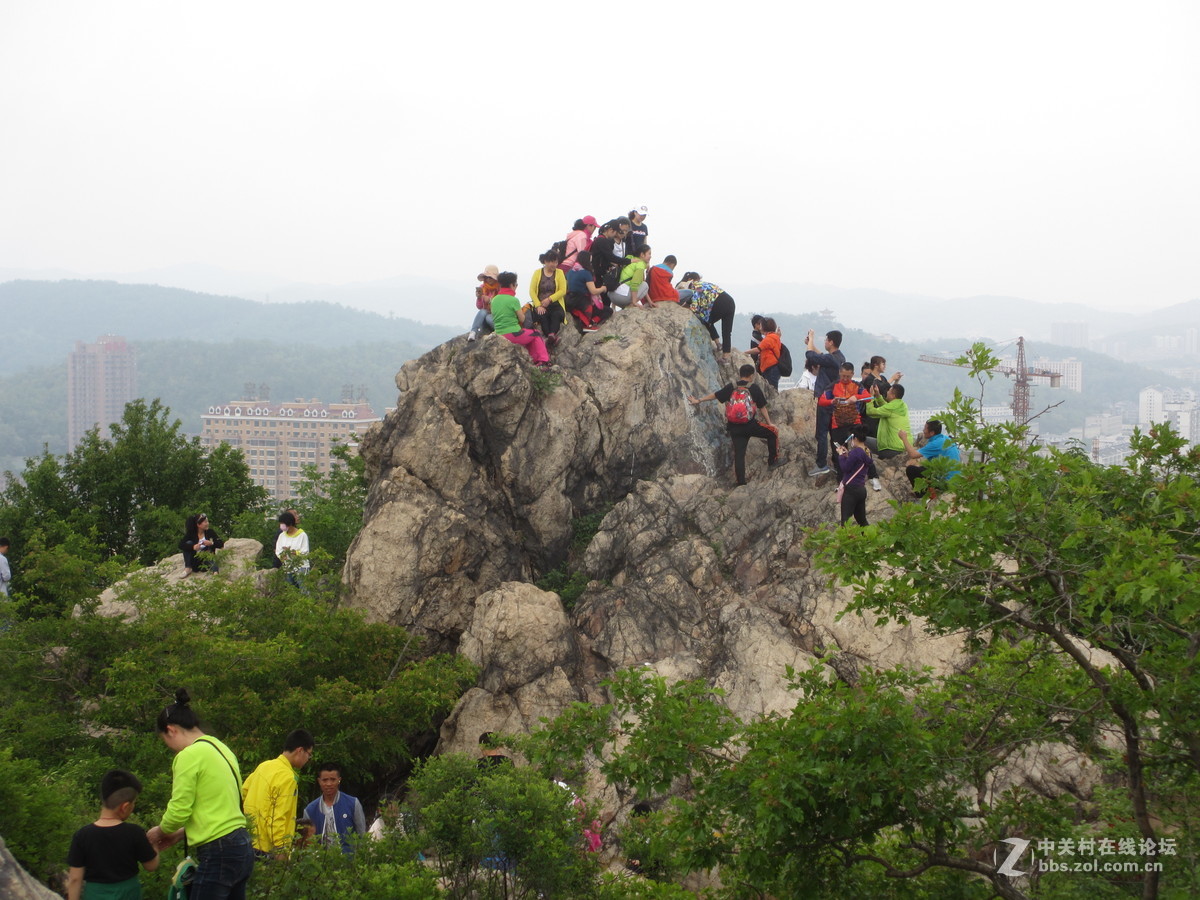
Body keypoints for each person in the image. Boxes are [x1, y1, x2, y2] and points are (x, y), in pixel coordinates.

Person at [147, 689, 254, 900]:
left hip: (219, 850)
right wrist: (180, 833)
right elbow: (219, 807)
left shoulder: (189, 755)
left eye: (166, 742)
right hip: (241, 846)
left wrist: (160, 832)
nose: (172, 750)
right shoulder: (221, 749)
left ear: (171, 730)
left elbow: (178, 809)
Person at [67, 769, 159, 900]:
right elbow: (151, 865)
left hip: (95, 895)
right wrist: (154, 844)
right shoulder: (134, 832)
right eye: (134, 803)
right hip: (128, 894)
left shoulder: (82, 835)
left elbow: (75, 879)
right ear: (125, 807)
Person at [689, 364, 787, 486]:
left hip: (734, 428)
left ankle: (741, 482)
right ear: (751, 376)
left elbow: (716, 395)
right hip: (750, 426)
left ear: (740, 374)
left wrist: (698, 400)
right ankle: (773, 461)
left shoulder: (732, 386)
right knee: (772, 433)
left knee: (739, 455)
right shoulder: (754, 388)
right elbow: (762, 407)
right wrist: (770, 423)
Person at [241, 729, 315, 857]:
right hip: (268, 848)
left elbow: (243, 794)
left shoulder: (264, 766)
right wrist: (281, 849)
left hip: (248, 840)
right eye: (309, 754)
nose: (308, 759)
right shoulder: (288, 777)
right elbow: (278, 816)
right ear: (300, 751)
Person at [819, 363, 881, 491]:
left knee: (863, 448)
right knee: (839, 451)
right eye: (843, 376)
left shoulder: (857, 385)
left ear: (853, 374)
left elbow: (868, 398)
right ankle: (842, 481)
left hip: (855, 421)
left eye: (848, 376)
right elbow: (821, 400)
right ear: (839, 374)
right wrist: (832, 401)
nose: (845, 379)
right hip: (837, 423)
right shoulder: (834, 386)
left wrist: (856, 397)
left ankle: (873, 477)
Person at [805, 329, 846, 476]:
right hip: (834, 400)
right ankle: (837, 463)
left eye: (826, 340)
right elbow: (822, 357)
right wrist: (811, 344)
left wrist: (810, 339)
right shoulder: (839, 357)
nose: (825, 342)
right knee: (833, 434)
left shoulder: (832, 359)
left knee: (821, 433)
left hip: (825, 401)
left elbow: (810, 355)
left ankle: (821, 464)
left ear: (831, 342)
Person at [303, 763, 367, 854]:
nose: (329, 784)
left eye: (333, 779)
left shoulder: (352, 804)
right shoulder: (310, 810)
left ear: (339, 780)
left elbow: (361, 834)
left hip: (348, 860)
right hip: (320, 862)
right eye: (325, 780)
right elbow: (307, 843)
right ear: (319, 781)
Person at [492, 271, 552, 368]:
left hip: (498, 334)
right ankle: (543, 361)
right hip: (512, 334)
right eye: (516, 284)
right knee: (535, 333)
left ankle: (535, 360)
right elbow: (522, 318)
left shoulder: (494, 299)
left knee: (528, 336)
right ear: (512, 285)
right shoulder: (513, 300)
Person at [677, 273, 736, 362]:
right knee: (727, 331)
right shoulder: (703, 284)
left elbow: (694, 307)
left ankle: (718, 343)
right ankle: (726, 357)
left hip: (719, 303)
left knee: (705, 320)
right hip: (730, 301)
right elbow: (689, 302)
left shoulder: (694, 286)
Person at [899, 420, 961, 497]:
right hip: (956, 480)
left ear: (932, 432)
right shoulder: (945, 438)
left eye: (925, 428)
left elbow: (913, 454)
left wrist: (904, 438)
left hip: (945, 481)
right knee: (923, 468)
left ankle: (922, 497)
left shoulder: (936, 443)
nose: (923, 430)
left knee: (911, 470)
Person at [527, 249, 567, 346]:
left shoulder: (560, 272)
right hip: (540, 304)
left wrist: (550, 299)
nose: (554, 264)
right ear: (545, 262)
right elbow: (532, 291)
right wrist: (538, 305)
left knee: (556, 315)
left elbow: (563, 290)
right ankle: (551, 336)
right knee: (542, 316)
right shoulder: (537, 273)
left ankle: (551, 335)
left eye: (556, 262)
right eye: (551, 262)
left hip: (555, 303)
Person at [834, 427, 872, 527]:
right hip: (861, 489)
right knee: (862, 520)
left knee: (845, 522)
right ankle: (870, 539)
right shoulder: (867, 451)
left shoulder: (856, 452)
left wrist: (841, 455)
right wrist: (847, 454)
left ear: (854, 439)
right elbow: (857, 462)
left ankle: (845, 542)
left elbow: (845, 468)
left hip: (851, 490)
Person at [865, 382, 912, 459]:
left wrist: (870, 397)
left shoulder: (891, 408)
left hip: (890, 449)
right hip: (904, 446)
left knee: (861, 440)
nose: (887, 392)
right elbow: (886, 407)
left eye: (889, 391)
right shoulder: (902, 405)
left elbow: (870, 412)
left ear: (893, 395)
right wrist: (877, 395)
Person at [564, 250, 607, 331]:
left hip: (570, 301)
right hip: (582, 302)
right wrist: (603, 288)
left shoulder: (569, 271)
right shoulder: (585, 273)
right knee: (607, 311)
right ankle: (591, 323)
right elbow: (593, 291)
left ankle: (589, 322)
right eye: (590, 261)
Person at [275, 512, 309, 586]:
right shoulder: (282, 535)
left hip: (301, 567)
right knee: (290, 589)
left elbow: (305, 551)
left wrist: (295, 552)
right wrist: (281, 556)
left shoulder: (302, 535)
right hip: (287, 567)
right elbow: (278, 550)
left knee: (304, 589)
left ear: (290, 524)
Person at [467, 265, 500, 342]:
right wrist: (479, 298)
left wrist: (490, 301)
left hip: (495, 317)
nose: (488, 279)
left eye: (490, 277)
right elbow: (479, 306)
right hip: (485, 316)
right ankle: (473, 332)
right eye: (486, 277)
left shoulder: (499, 288)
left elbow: (500, 306)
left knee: (488, 317)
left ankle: (500, 331)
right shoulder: (483, 287)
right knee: (483, 312)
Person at [747, 317, 782, 388]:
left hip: (770, 368)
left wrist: (744, 353)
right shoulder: (774, 337)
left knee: (772, 389)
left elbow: (758, 349)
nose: (760, 327)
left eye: (761, 325)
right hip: (772, 367)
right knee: (772, 389)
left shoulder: (769, 338)